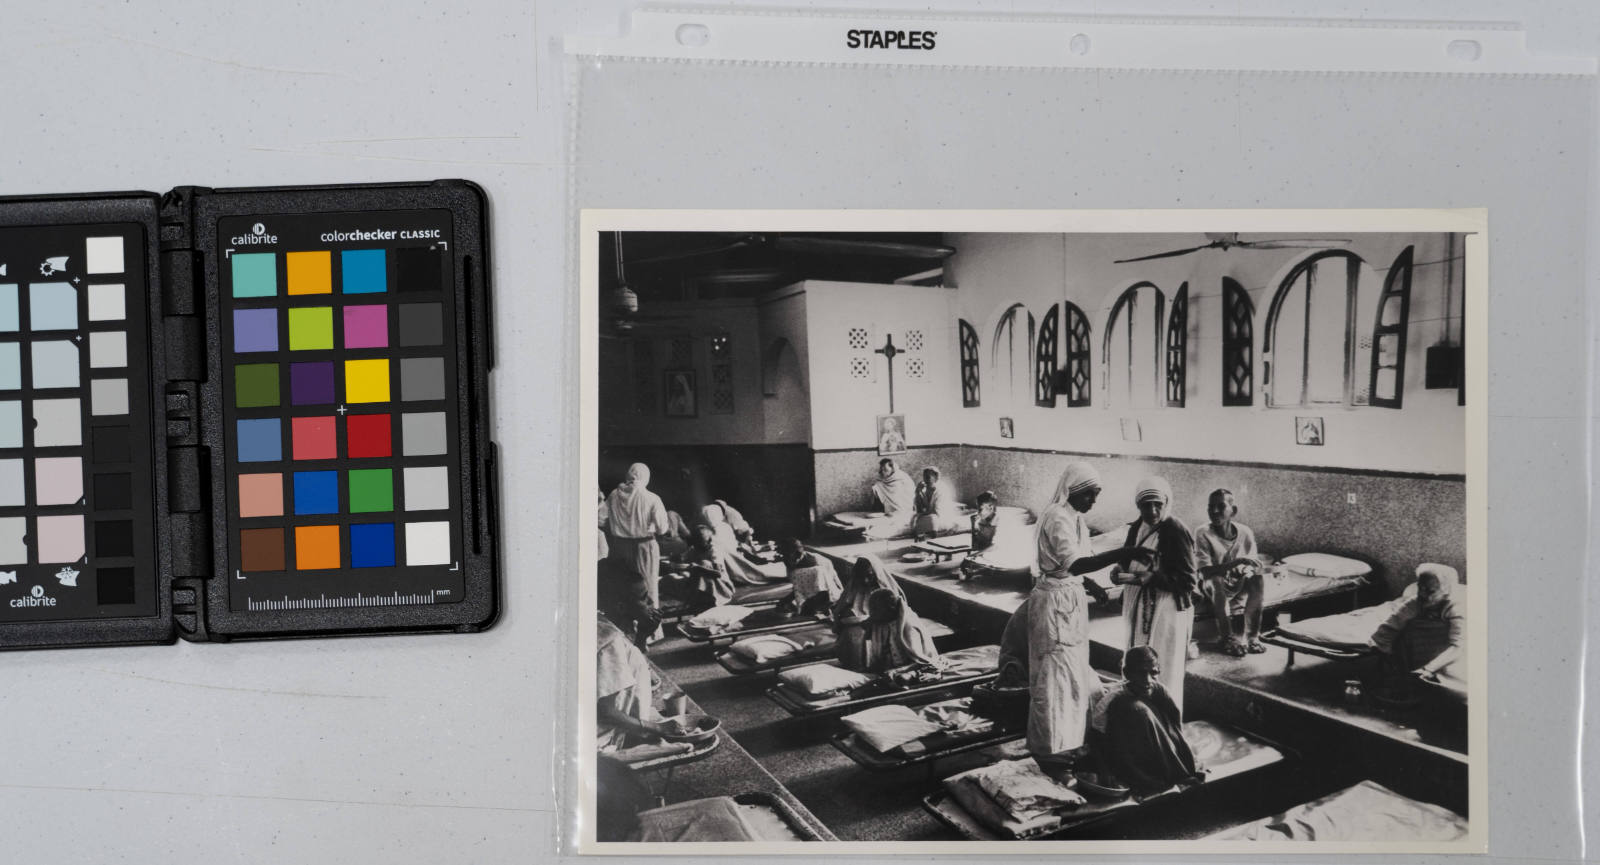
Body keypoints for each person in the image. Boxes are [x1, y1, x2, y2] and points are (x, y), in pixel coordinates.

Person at [1027, 462, 1155, 780]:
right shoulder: (1057, 516)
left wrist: (1092, 585)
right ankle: (1050, 751)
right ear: (1073, 490)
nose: (1093, 501)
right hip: (1055, 605)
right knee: (1055, 679)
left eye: (1097, 495)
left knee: (1072, 678)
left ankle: (1069, 745)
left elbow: (1070, 567)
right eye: (1090, 494)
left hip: (1067, 599)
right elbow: (1079, 562)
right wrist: (1128, 550)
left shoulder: (1075, 518)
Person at [1112, 476, 1198, 715]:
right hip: (1138, 605)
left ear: (1166, 502)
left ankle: (1165, 721)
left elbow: (1189, 581)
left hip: (1166, 609)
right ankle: (1140, 720)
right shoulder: (1137, 528)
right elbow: (1126, 560)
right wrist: (1118, 570)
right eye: (1146, 505)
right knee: (1136, 662)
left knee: (1163, 667)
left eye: (1157, 504)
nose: (1152, 510)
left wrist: (1154, 578)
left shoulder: (1175, 530)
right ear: (1138, 506)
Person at [1087, 646, 1203, 797]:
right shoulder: (1113, 700)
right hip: (1128, 755)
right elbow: (1097, 738)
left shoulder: (1161, 691)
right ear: (1127, 673)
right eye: (1141, 673)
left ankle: (1164, 771)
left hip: (1159, 751)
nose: (1147, 680)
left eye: (1153, 673)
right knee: (1136, 709)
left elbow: (1175, 728)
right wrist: (1105, 771)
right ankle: (1145, 776)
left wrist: (1185, 757)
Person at [1370, 563, 1465, 697]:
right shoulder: (1415, 602)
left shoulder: (1456, 607)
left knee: (1452, 680)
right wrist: (1382, 647)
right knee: (1404, 635)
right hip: (1417, 646)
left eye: (1431, 591)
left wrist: (1429, 668)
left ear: (1446, 591)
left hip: (1445, 649)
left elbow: (1458, 646)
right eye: (1420, 588)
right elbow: (1391, 624)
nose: (1423, 594)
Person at [1194, 489, 1265, 657]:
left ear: (1233, 510)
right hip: (1211, 582)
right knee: (1217, 580)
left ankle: (1253, 637)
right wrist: (1238, 562)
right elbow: (1205, 572)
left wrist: (1246, 569)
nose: (1215, 511)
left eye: (1221, 506)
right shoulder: (1202, 532)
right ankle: (1228, 638)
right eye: (1211, 507)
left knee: (1258, 579)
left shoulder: (1245, 532)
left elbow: (1251, 564)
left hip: (1236, 581)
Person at [597, 613, 670, 752]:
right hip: (600, 738)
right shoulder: (611, 641)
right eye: (644, 600)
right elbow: (605, 711)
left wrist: (641, 638)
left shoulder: (601, 624)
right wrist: (658, 728)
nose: (653, 610)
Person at [606, 464, 671, 615]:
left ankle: (625, 630)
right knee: (646, 587)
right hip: (644, 546)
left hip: (619, 547)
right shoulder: (652, 498)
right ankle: (649, 630)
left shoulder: (613, 495)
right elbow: (662, 528)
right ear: (645, 477)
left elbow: (601, 519)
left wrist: (620, 526)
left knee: (622, 586)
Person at [833, 556, 909, 671]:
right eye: (861, 577)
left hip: (881, 626)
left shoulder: (887, 591)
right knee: (852, 635)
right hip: (856, 625)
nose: (865, 581)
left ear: (876, 573)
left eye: (870, 575)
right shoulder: (854, 587)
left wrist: (872, 620)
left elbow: (894, 616)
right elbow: (839, 610)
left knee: (862, 637)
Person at [860, 588, 941, 672]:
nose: (872, 614)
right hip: (889, 670)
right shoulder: (881, 623)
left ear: (891, 608)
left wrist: (895, 671)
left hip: (908, 670)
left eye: (876, 610)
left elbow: (919, 662)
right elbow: (876, 658)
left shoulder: (908, 627)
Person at [699, 504, 778, 585]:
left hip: (726, 564)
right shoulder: (723, 527)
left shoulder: (712, 531)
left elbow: (717, 552)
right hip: (731, 561)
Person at [775, 538, 842, 618]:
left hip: (825, 584)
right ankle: (815, 605)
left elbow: (831, 581)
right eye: (786, 556)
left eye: (791, 555)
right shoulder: (789, 561)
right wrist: (786, 600)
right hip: (815, 586)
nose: (789, 559)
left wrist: (786, 600)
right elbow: (797, 586)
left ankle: (821, 605)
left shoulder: (816, 562)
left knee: (821, 596)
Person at [680, 524, 738, 607]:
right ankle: (698, 596)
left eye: (700, 542)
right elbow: (684, 559)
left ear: (709, 541)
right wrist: (679, 559)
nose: (697, 545)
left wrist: (698, 567)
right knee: (670, 579)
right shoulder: (695, 548)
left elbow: (718, 574)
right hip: (702, 585)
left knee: (705, 563)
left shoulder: (714, 551)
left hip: (722, 587)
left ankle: (705, 597)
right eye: (696, 542)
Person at [912, 466, 962, 536]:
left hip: (941, 516)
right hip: (929, 515)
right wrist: (918, 492)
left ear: (936, 478)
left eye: (928, 477)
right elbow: (919, 510)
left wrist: (920, 515)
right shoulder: (924, 489)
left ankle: (938, 534)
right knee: (916, 520)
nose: (925, 480)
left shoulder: (942, 489)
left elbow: (937, 511)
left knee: (931, 519)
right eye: (924, 477)